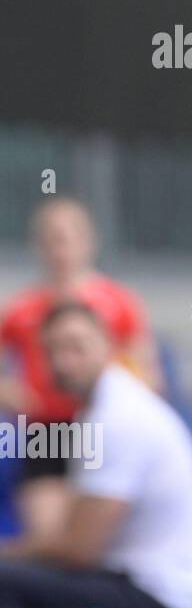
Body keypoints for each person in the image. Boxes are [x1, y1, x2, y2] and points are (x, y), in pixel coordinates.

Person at [0, 301, 192, 608]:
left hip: (162, 599)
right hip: (142, 585)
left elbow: (79, 550)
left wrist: (6, 550)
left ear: (108, 345)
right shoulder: (104, 408)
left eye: (76, 347)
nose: (63, 362)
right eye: (52, 351)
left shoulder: (118, 417)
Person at [0, 198, 160, 541]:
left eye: (68, 237)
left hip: (101, 429)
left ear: (89, 240)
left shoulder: (119, 303)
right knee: (48, 535)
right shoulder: (21, 308)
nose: (61, 248)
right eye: (51, 238)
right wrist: (10, 391)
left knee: (98, 537)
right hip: (46, 431)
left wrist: (107, 390)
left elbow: (149, 377)